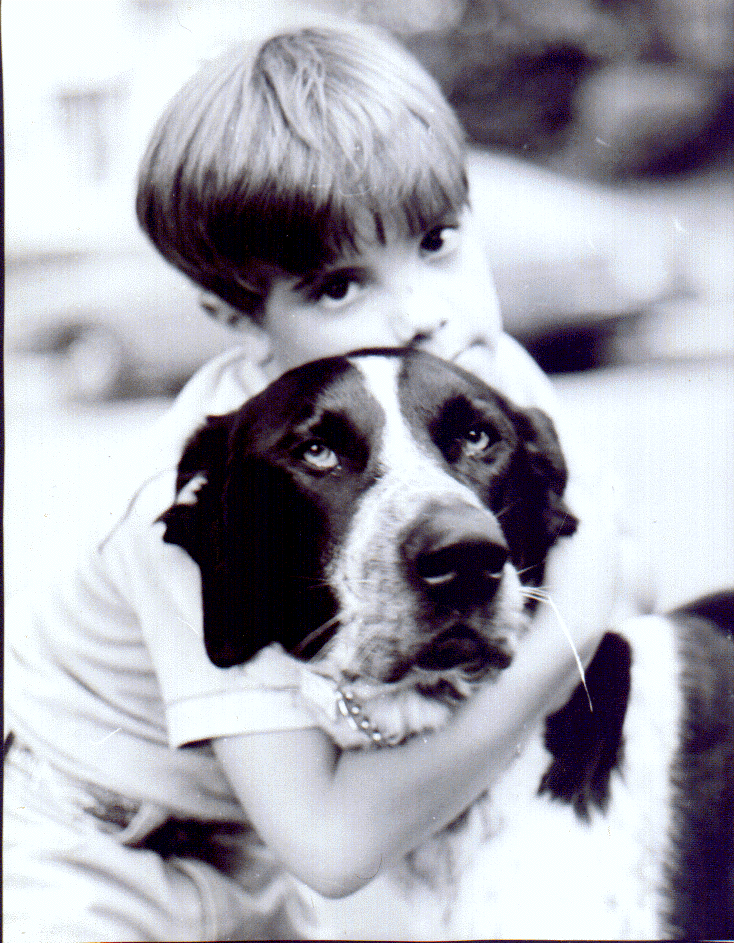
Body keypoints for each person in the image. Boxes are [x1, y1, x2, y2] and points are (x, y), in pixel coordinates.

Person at [4, 21, 624, 942]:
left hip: (256, 851)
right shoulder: (209, 498)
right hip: (87, 849)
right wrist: (560, 640)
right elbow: (331, 841)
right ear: (235, 317)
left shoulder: (478, 370)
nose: (420, 314)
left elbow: (610, 558)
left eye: (438, 241)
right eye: (340, 286)